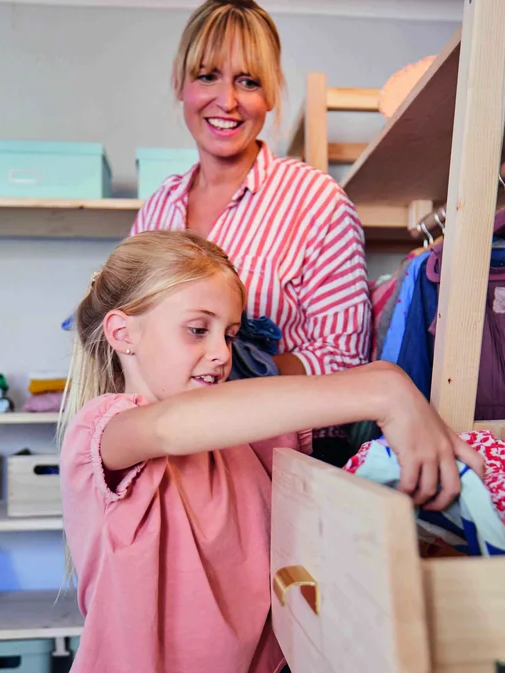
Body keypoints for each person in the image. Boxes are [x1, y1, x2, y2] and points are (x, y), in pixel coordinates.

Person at [52, 231, 483, 673]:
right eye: (198, 329)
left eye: (230, 334)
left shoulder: (252, 439)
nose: (221, 353)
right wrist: (386, 386)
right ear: (123, 333)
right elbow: (167, 428)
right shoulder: (103, 430)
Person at [130, 0, 370, 467]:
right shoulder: (158, 208)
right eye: (207, 76)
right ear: (180, 84)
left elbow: (344, 361)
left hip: (280, 457)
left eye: (248, 81)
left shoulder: (317, 201)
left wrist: (233, 374)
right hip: (166, 454)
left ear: (271, 94)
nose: (227, 101)